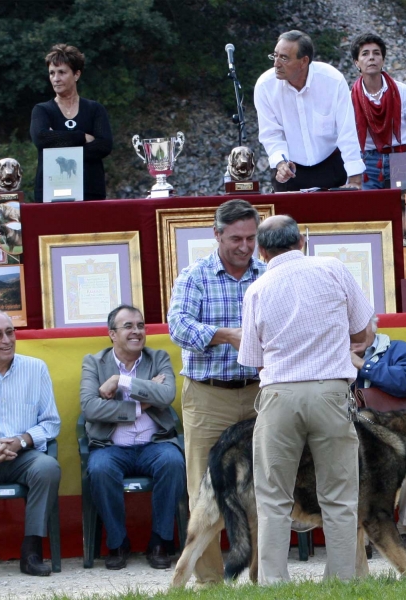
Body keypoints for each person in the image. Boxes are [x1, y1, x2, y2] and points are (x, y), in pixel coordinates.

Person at [238, 215, 373, 584]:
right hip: (331, 391)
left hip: (279, 395)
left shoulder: (257, 289)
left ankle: (273, 585)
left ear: (260, 251)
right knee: (340, 497)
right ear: (302, 241)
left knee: (273, 499)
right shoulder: (332, 268)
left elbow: (252, 359)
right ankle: (343, 583)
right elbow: (363, 330)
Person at [167, 199, 266, 585]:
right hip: (208, 395)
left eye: (252, 238)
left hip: (260, 392)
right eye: (236, 239)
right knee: (204, 490)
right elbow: (178, 327)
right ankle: (210, 581)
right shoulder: (194, 277)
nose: (245, 246)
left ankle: (262, 575)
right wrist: (226, 335)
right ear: (217, 235)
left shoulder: (268, 274)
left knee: (264, 486)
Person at [80, 304, 185, 570]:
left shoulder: (158, 357)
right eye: (128, 326)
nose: (136, 331)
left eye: (140, 326)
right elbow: (91, 408)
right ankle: (117, 543)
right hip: (111, 446)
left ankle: (160, 541)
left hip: (155, 443)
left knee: (173, 462)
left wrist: (121, 381)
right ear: (112, 334)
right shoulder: (94, 362)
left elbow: (166, 396)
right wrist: (141, 404)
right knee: (100, 468)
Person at [0, 309, 61, 580]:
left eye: (11, 332)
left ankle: (31, 551)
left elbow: (51, 422)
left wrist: (21, 440)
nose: (7, 340)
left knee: (48, 468)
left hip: (25, 454)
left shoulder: (36, 368)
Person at [350, 315, 406, 556]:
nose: (352, 336)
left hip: (398, 432)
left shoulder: (400, 349)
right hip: (353, 436)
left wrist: (364, 365)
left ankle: (403, 530)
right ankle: (361, 536)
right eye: (345, 329)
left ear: (373, 326)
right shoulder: (331, 356)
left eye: (357, 328)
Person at [254, 30, 364, 192]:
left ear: (304, 61)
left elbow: (346, 131)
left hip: (331, 165)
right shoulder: (265, 86)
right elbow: (271, 133)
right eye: (275, 56)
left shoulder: (332, 80)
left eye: (284, 58)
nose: (276, 64)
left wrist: (355, 177)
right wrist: (281, 163)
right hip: (290, 170)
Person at [30, 44, 113, 202]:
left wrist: (57, 143)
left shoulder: (95, 109)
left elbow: (104, 145)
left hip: (90, 192)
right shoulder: (42, 110)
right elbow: (41, 138)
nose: (56, 78)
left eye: (62, 72)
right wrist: (81, 137)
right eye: (52, 73)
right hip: (50, 193)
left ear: (76, 74)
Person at [350, 33, 406, 189]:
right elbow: (346, 138)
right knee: (371, 211)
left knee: (403, 209)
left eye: (376, 53)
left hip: (400, 157)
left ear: (383, 60)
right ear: (357, 63)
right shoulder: (350, 98)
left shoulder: (401, 91)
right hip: (368, 161)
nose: (371, 58)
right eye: (365, 54)